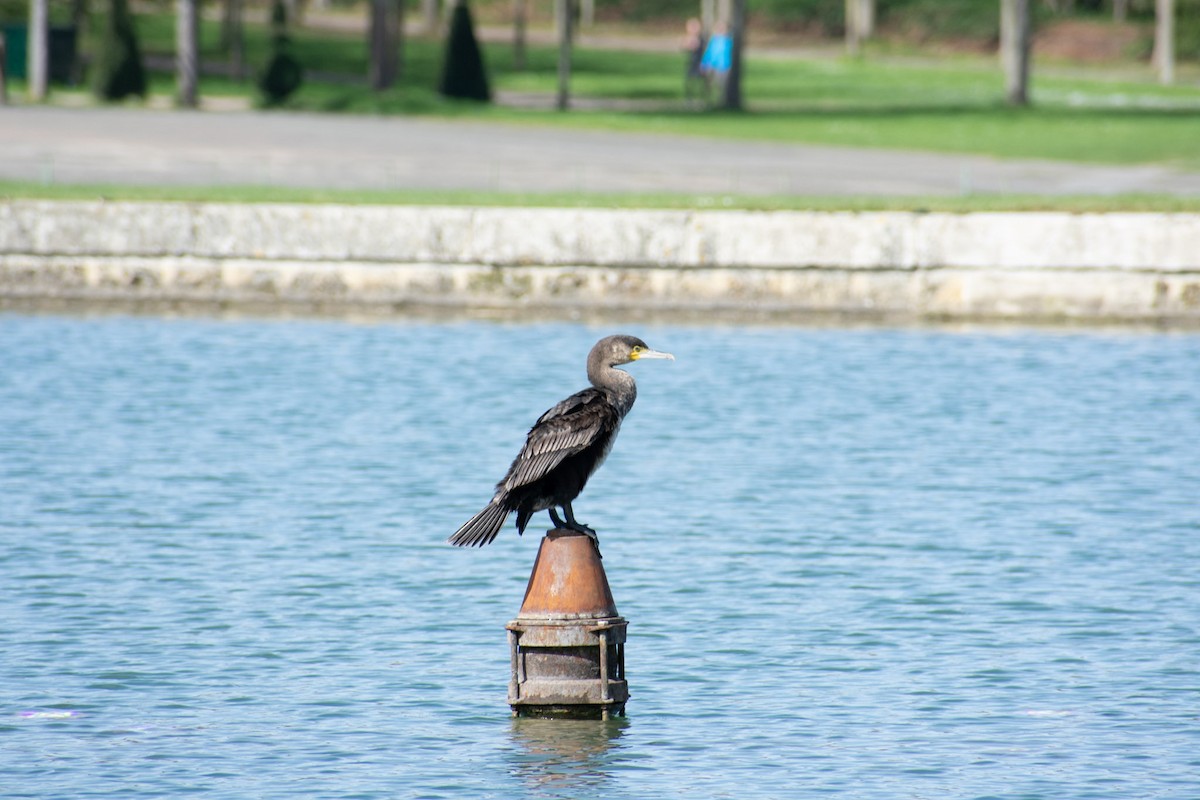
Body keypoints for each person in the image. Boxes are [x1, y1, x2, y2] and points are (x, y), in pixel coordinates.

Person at [698, 22, 732, 106]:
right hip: (712, 65)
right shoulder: (714, 40)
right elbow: (709, 52)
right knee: (709, 83)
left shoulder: (729, 41)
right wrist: (704, 63)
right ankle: (708, 99)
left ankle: (721, 101)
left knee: (721, 84)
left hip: (724, 66)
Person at [682, 17, 707, 106]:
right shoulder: (689, 38)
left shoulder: (702, 39)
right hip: (691, 63)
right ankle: (689, 99)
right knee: (690, 81)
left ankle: (703, 99)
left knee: (702, 82)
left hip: (700, 63)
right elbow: (685, 48)